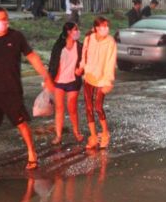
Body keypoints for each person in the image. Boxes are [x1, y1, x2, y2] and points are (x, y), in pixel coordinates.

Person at [0, 8, 56, 175]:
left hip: (12, 90)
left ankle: (32, 153)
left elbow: (33, 57)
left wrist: (47, 77)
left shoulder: (16, 37)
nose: (2, 22)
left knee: (21, 123)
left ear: (8, 20)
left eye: (4, 19)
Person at [77, 16, 117, 150]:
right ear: (95, 28)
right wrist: (81, 67)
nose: (105, 29)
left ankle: (105, 134)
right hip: (89, 77)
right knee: (88, 108)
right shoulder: (89, 39)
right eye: (102, 26)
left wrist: (108, 81)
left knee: (98, 107)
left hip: (102, 79)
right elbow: (84, 55)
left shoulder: (110, 42)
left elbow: (111, 63)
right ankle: (93, 136)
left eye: (107, 26)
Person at [48, 22, 84, 145]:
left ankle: (76, 132)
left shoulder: (79, 46)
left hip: (73, 81)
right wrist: (49, 79)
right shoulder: (58, 46)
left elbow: (84, 61)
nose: (78, 32)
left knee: (72, 108)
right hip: (58, 81)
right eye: (76, 29)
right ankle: (58, 136)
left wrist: (81, 70)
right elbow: (52, 63)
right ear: (68, 31)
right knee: (59, 109)